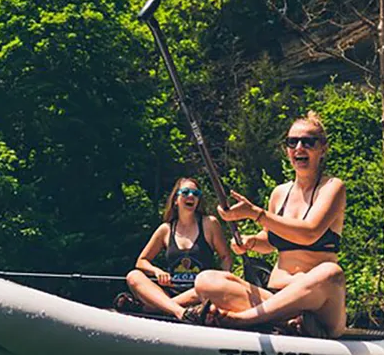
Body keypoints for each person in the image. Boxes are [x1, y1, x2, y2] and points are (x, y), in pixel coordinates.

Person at [191, 111, 347, 338]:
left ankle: (243, 320)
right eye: (292, 142)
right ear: (286, 150)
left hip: (318, 306)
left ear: (323, 148)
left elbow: (310, 233)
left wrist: (256, 213)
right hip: (273, 297)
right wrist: (253, 242)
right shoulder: (279, 193)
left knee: (330, 272)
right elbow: (271, 240)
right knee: (206, 280)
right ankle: (284, 322)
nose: (299, 147)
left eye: (308, 142)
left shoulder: (333, 187)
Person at [119, 177, 233, 319]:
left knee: (207, 288)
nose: (191, 196)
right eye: (185, 192)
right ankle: (179, 311)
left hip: (199, 292)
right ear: (175, 200)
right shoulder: (165, 230)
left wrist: (223, 277)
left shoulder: (209, 223)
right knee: (133, 276)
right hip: (170, 292)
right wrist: (157, 271)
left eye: (195, 193)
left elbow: (225, 256)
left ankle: (156, 308)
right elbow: (141, 261)